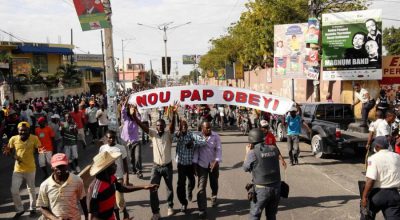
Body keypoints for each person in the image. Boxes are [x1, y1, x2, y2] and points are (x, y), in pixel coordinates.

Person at [130, 103, 178, 220]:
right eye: (157, 125)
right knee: (152, 188)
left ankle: (170, 207)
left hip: (167, 166)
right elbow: (142, 126)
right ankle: (156, 212)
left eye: (161, 125)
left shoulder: (169, 135)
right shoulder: (153, 134)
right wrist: (134, 116)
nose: (159, 127)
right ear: (155, 127)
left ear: (164, 126)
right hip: (156, 167)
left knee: (169, 188)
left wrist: (175, 114)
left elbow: (172, 127)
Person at [243, 128, 286, 220]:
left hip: (261, 190)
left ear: (251, 140)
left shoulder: (252, 153)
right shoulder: (274, 149)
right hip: (276, 188)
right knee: (271, 215)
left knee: (254, 215)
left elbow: (245, 168)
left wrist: (247, 153)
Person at [2, 122, 42, 218]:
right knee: (14, 190)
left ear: (29, 130)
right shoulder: (13, 139)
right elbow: (9, 151)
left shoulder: (34, 138)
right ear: (18, 131)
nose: (23, 132)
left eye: (25, 130)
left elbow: (38, 150)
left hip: (30, 168)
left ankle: (33, 208)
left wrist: (38, 151)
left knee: (31, 189)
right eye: (21, 130)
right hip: (18, 170)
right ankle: (20, 209)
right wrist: (8, 153)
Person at [37, 153, 88, 220]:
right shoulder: (44, 185)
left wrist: (87, 217)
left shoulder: (77, 181)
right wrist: (55, 219)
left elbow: (83, 200)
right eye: (57, 167)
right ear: (52, 167)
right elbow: (43, 207)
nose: (60, 169)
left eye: (62, 166)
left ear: (67, 165)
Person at [361, 136, 400, 219]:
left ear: (377, 146)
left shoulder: (373, 158)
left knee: (366, 215)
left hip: (378, 194)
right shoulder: (397, 157)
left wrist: (364, 197)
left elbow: (370, 180)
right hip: (394, 194)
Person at [99, 130, 131, 220]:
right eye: (109, 138)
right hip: (107, 178)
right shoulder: (102, 148)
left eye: (113, 137)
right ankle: (117, 218)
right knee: (113, 202)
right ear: (106, 138)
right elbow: (100, 163)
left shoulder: (121, 148)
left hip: (118, 177)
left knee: (119, 199)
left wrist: (126, 177)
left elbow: (125, 164)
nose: (112, 139)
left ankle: (125, 212)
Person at [193, 121, 222, 219]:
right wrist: (195, 164)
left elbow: (218, 149)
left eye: (210, 127)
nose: (209, 129)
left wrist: (216, 161)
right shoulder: (199, 137)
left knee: (214, 183)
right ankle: (202, 209)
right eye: (207, 128)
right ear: (202, 128)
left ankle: (214, 196)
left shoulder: (216, 136)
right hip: (202, 165)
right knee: (201, 187)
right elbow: (196, 151)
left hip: (213, 165)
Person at [174, 120, 196, 213]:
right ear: (179, 127)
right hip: (181, 164)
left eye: (185, 126)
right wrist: (178, 135)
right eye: (182, 126)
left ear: (187, 127)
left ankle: (190, 191)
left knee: (192, 181)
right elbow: (173, 139)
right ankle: (183, 203)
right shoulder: (177, 135)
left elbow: (201, 141)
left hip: (190, 164)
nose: (184, 127)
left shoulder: (191, 134)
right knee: (181, 185)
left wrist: (193, 143)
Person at [120, 100, 143, 178]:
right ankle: (133, 169)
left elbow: (140, 117)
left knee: (137, 157)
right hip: (129, 142)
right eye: (131, 109)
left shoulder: (136, 119)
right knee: (131, 158)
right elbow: (123, 111)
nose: (132, 110)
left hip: (136, 141)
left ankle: (139, 171)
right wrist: (126, 102)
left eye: (133, 109)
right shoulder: (126, 118)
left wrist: (136, 109)